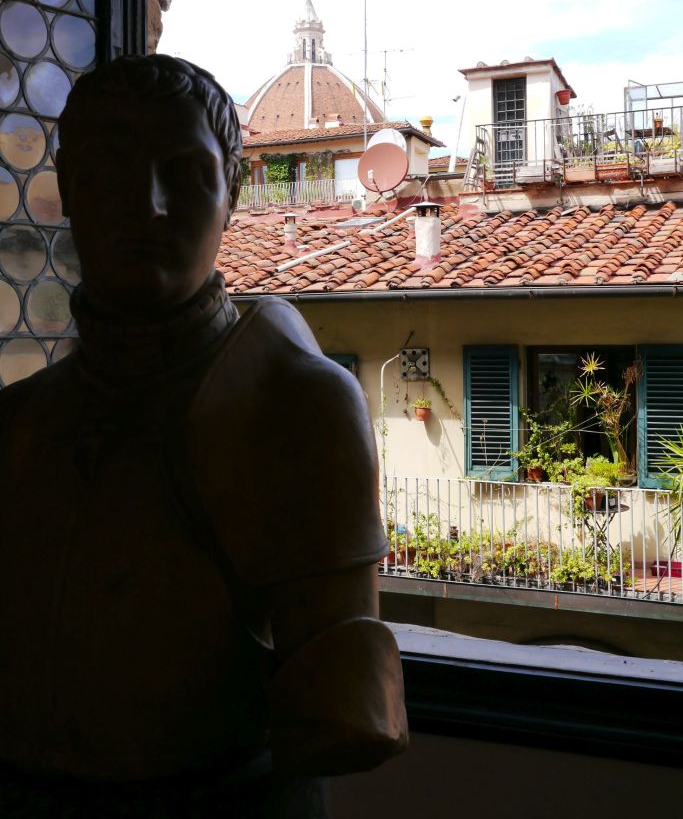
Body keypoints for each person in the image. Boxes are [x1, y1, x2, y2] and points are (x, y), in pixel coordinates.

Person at [0, 55, 407, 817]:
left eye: (183, 173)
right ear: (70, 192)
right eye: (111, 173)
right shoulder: (18, 425)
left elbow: (345, 713)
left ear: (233, 193)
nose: (147, 205)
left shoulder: (296, 407)